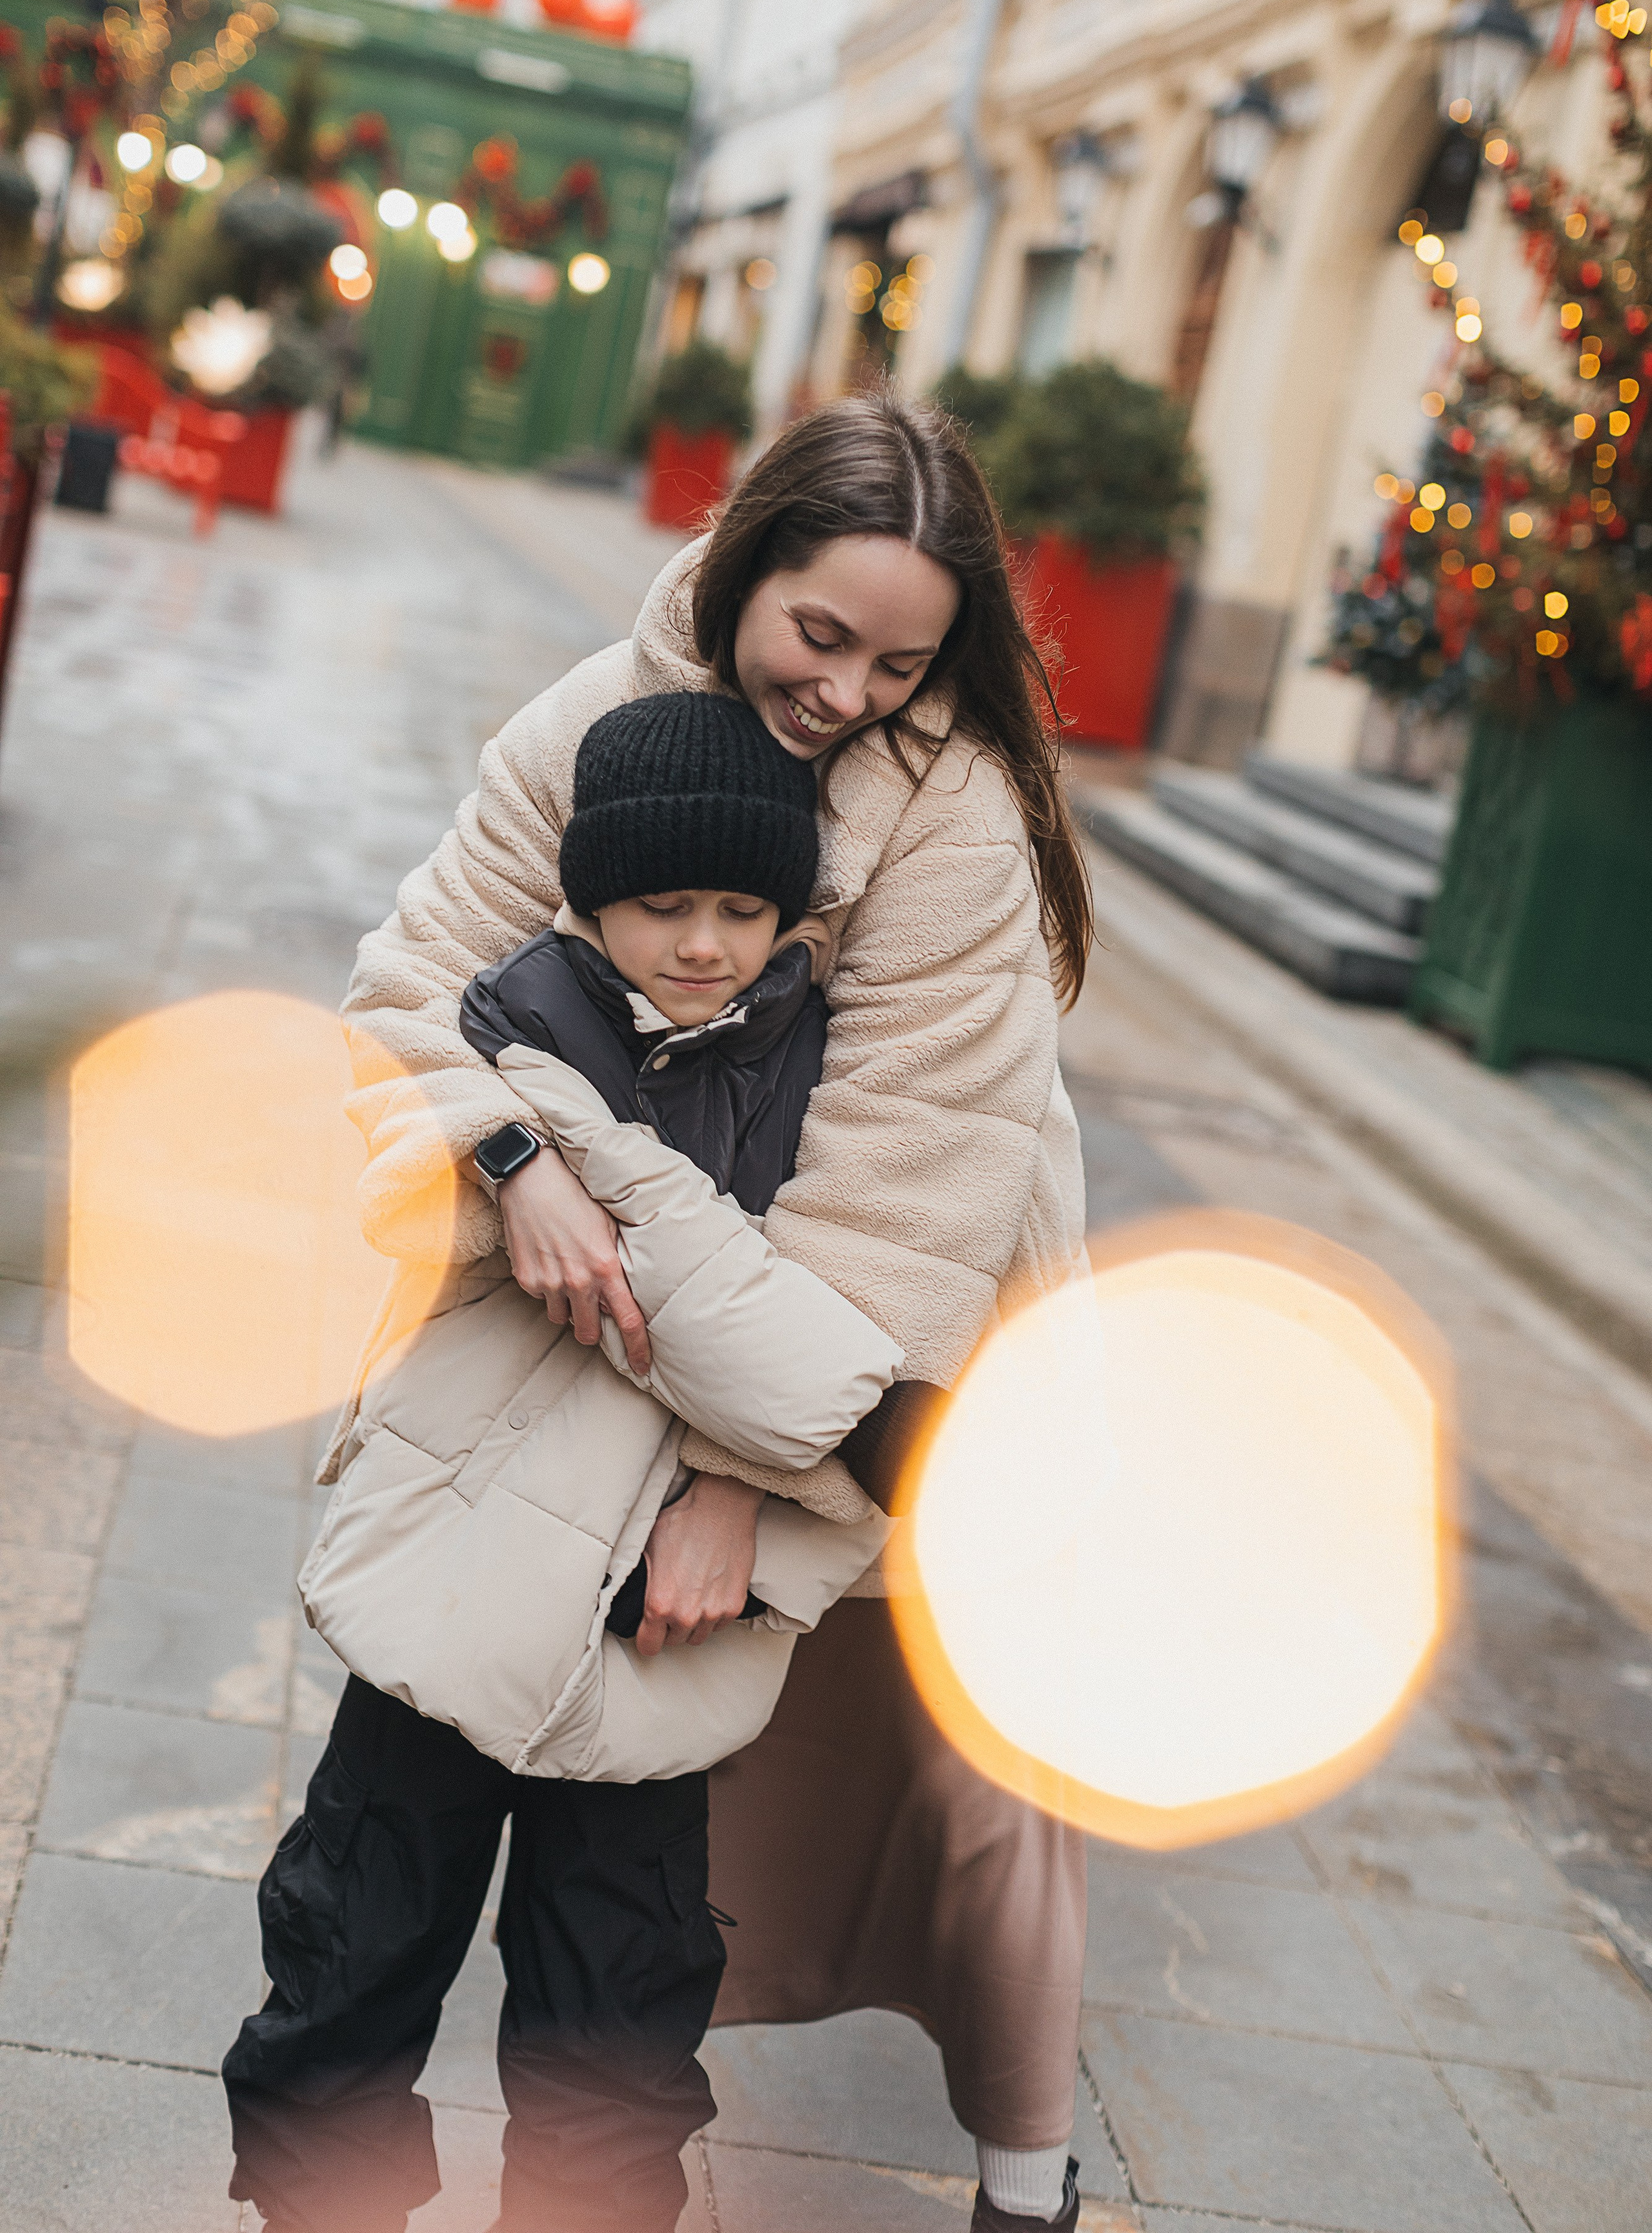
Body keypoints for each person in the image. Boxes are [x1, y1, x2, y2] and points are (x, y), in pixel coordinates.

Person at [334, 392, 1095, 2232]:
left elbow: (898, 1201)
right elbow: (418, 991)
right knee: (624, 1785)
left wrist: (764, 1484)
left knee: (961, 1782)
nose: (845, 690)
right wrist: (514, 1156)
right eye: (818, 633)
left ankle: (1028, 2172)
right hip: (640, 1315)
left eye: (902, 664)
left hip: (899, 1339)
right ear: (747, 562)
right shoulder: (594, 717)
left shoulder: (959, 823)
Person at [223, 689, 903, 2233]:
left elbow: (868, 1358)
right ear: (591, 896)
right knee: (347, 1959)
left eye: (743, 908)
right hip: (458, 1583)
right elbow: (394, 1133)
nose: (704, 943)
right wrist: (511, 1152)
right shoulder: (514, 1025)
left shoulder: (827, 1073)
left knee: (618, 2031)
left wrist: (755, 1494)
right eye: (663, 905)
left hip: (656, 1629)